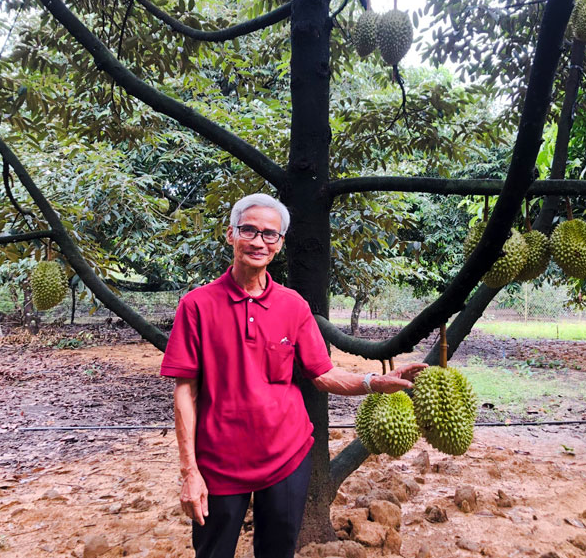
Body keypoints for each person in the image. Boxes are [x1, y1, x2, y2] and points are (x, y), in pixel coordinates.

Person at [160, 193, 426, 558]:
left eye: (270, 234)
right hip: (218, 462)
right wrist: (189, 471)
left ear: (280, 244)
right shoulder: (197, 306)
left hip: (286, 457)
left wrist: (373, 382)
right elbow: (184, 392)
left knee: (278, 552)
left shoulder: (293, 305)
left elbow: (323, 374)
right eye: (248, 230)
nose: (258, 241)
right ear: (230, 235)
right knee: (212, 551)